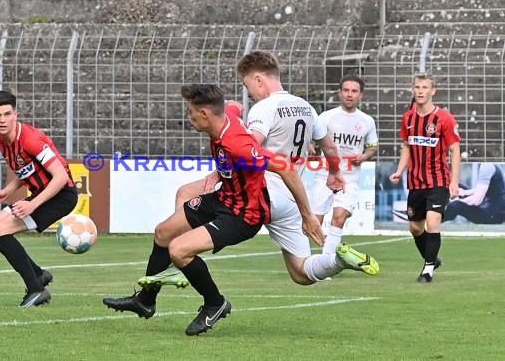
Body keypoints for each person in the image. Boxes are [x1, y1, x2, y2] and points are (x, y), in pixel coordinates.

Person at [103, 84, 322, 336]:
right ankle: (145, 300)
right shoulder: (225, 115)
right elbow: (234, 106)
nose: (188, 117)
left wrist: (307, 215)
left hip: (244, 214)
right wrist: (236, 109)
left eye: (190, 112)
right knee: (164, 232)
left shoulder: (238, 145)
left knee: (178, 250)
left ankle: (215, 303)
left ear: (205, 114)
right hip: (223, 198)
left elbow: (286, 168)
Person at [152, 52, 379, 289]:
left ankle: (178, 261)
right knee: (301, 272)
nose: (249, 92)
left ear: (259, 80)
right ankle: (338, 261)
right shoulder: (306, 107)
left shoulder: (263, 108)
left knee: (186, 192)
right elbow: (330, 147)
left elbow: (249, 147)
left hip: (261, 193)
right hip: (292, 198)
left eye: (247, 85)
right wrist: (334, 173)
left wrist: (219, 172)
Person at [0, 90, 78, 307]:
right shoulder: (2, 140)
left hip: (60, 195)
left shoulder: (31, 139)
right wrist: (8, 190)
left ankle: (36, 289)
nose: (3, 120)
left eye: (8, 114)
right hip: (41, 194)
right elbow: (24, 168)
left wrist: (32, 203)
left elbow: (61, 177)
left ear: (16, 114)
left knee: (1, 230)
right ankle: (38, 275)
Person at [389, 73, 461, 283]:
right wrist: (400, 170)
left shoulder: (444, 118)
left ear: (432, 91)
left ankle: (428, 270)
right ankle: (432, 258)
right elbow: (407, 146)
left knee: (433, 220)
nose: (420, 91)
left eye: (424, 87)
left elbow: (455, 150)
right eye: (417, 87)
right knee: (415, 227)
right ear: (413, 90)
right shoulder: (408, 118)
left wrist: (454, 181)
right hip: (416, 182)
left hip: (438, 180)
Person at [311, 75, 378, 255]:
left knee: (339, 217)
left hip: (350, 177)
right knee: (314, 221)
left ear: (360, 95)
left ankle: (327, 259)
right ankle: (307, 257)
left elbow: (373, 146)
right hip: (325, 174)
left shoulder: (367, 121)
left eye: (354, 91)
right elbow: (312, 137)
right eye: (346, 90)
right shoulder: (326, 117)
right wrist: (310, 145)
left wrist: (365, 156)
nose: (350, 94)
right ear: (340, 93)